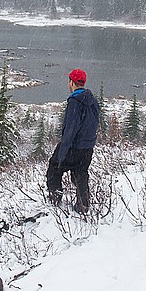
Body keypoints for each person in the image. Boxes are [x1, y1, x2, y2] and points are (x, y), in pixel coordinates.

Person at [46, 68, 100, 213]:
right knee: (81, 173)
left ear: (72, 82)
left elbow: (70, 129)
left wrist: (63, 153)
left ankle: (55, 199)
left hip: (74, 146)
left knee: (54, 168)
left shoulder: (74, 102)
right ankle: (83, 205)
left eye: (69, 81)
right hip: (88, 147)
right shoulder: (93, 101)